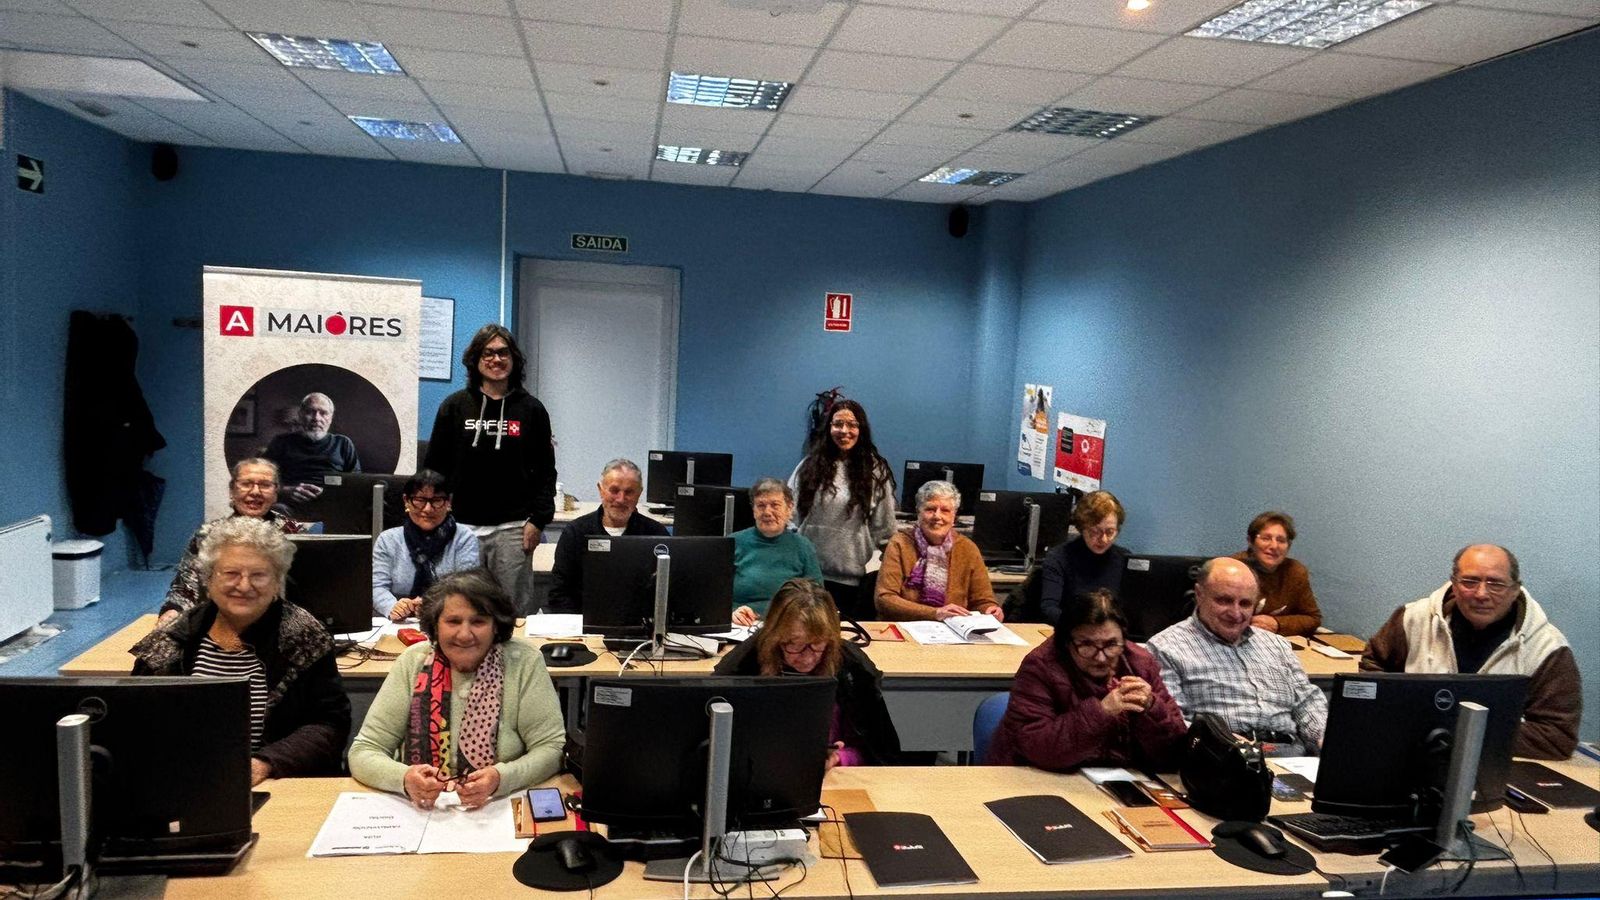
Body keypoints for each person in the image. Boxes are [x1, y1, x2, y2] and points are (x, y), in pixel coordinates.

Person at [131, 516, 350, 784]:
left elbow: (330, 724)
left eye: (258, 575)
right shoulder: (171, 641)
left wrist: (266, 763)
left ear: (276, 582)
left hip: (276, 783)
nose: (244, 586)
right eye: (231, 574)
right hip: (185, 783)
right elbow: (138, 724)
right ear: (209, 580)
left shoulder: (304, 637)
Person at [349, 570, 566, 809]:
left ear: (496, 626)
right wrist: (403, 778)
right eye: (453, 621)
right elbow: (364, 750)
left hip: (499, 808)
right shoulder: (413, 661)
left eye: (478, 621)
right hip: (418, 811)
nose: (464, 634)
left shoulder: (524, 661)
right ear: (435, 625)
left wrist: (501, 778)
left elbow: (551, 749)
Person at [1361, 544, 1581, 760]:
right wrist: (1397, 718)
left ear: (1515, 590)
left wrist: (1459, 730)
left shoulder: (1548, 648)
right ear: (1454, 585)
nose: (1481, 594)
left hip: (1493, 766)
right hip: (1408, 754)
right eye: (1469, 581)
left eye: (1496, 584)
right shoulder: (1413, 619)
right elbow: (1373, 665)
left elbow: (1557, 737)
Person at [425, 325, 557, 612]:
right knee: (459, 608)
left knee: (512, 612)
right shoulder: (454, 406)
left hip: (513, 529)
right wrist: (437, 517)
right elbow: (434, 467)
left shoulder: (532, 410)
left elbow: (546, 471)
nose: (496, 360)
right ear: (476, 359)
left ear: (514, 359)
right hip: (460, 527)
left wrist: (539, 520)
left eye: (503, 353)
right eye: (488, 353)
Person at [988, 588, 1187, 770]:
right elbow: (1038, 749)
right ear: (1067, 642)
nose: (1101, 657)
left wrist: (1152, 708)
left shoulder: (1140, 663)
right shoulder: (1040, 666)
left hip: (1118, 782)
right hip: (1037, 778)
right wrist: (1101, 712)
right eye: (1087, 645)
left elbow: (1174, 752)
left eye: (1111, 645)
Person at [1146, 556, 1327, 756]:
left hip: (1292, 755)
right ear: (1199, 594)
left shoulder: (1277, 645)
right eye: (1224, 600)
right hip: (1222, 757)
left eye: (1245, 604)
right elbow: (1174, 721)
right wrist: (1221, 741)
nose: (1236, 613)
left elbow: (1307, 702)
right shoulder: (1166, 648)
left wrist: (1322, 736)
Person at [713, 579, 901, 767]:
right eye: (794, 644)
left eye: (817, 644)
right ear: (775, 638)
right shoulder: (745, 664)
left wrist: (838, 758)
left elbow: (873, 751)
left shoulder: (851, 669)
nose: (808, 658)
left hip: (837, 780)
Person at [158, 458, 304, 623]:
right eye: (247, 484)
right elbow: (185, 589)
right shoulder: (207, 535)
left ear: (275, 493)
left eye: (265, 485)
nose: (255, 491)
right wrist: (172, 611)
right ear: (232, 491)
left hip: (285, 624)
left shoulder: (296, 534)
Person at [789, 398, 896, 620]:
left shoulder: (875, 471)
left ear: (861, 430)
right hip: (807, 578)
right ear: (829, 428)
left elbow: (885, 530)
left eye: (852, 425)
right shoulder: (809, 466)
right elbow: (789, 516)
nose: (844, 430)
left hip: (850, 583)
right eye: (838, 424)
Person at [547, 458, 669, 614]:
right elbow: (560, 592)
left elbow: (669, 591)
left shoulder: (656, 534)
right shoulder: (576, 533)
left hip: (641, 627)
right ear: (601, 490)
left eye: (629, 492)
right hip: (584, 626)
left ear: (639, 494)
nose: (621, 499)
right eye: (614, 490)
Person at [876, 480, 1003, 622]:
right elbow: (885, 599)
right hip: (904, 627)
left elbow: (982, 600)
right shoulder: (900, 544)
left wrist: (991, 609)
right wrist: (934, 613)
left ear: (954, 516)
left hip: (953, 630)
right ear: (919, 513)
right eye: (930, 509)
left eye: (945, 510)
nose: (937, 516)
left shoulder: (968, 549)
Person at [372, 469, 480, 620]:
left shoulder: (464, 538)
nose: (427, 509)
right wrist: (393, 607)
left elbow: (468, 588)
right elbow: (377, 587)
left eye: (436, 501)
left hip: (447, 618)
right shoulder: (388, 539)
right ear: (406, 501)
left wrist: (432, 604)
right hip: (400, 622)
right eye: (420, 500)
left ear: (448, 502)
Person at [730, 478, 823, 626]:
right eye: (760, 505)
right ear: (753, 510)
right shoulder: (732, 543)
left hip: (788, 624)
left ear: (789, 508)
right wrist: (732, 612)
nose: (767, 512)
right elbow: (714, 595)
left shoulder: (804, 547)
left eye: (775, 505)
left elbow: (817, 598)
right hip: (739, 624)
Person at [1038, 490, 1129, 626]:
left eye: (1110, 532)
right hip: (1073, 632)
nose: (1103, 539)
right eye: (1095, 532)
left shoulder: (1125, 559)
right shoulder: (1059, 558)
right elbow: (1049, 608)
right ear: (1082, 528)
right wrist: (1083, 627)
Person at [1230, 510, 1322, 637]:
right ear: (1250, 541)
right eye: (1266, 538)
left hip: (1273, 643)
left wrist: (1278, 624)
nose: (1274, 546)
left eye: (1281, 540)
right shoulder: (1232, 569)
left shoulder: (1295, 572)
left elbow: (1313, 618)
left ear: (1288, 546)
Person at [263, 392, 361, 506]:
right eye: (310, 412)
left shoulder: (343, 443)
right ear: (300, 415)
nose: (316, 418)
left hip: (333, 504)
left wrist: (333, 495)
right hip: (290, 504)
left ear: (331, 418)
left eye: (323, 413)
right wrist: (286, 491)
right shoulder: (281, 442)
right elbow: (261, 479)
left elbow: (356, 482)